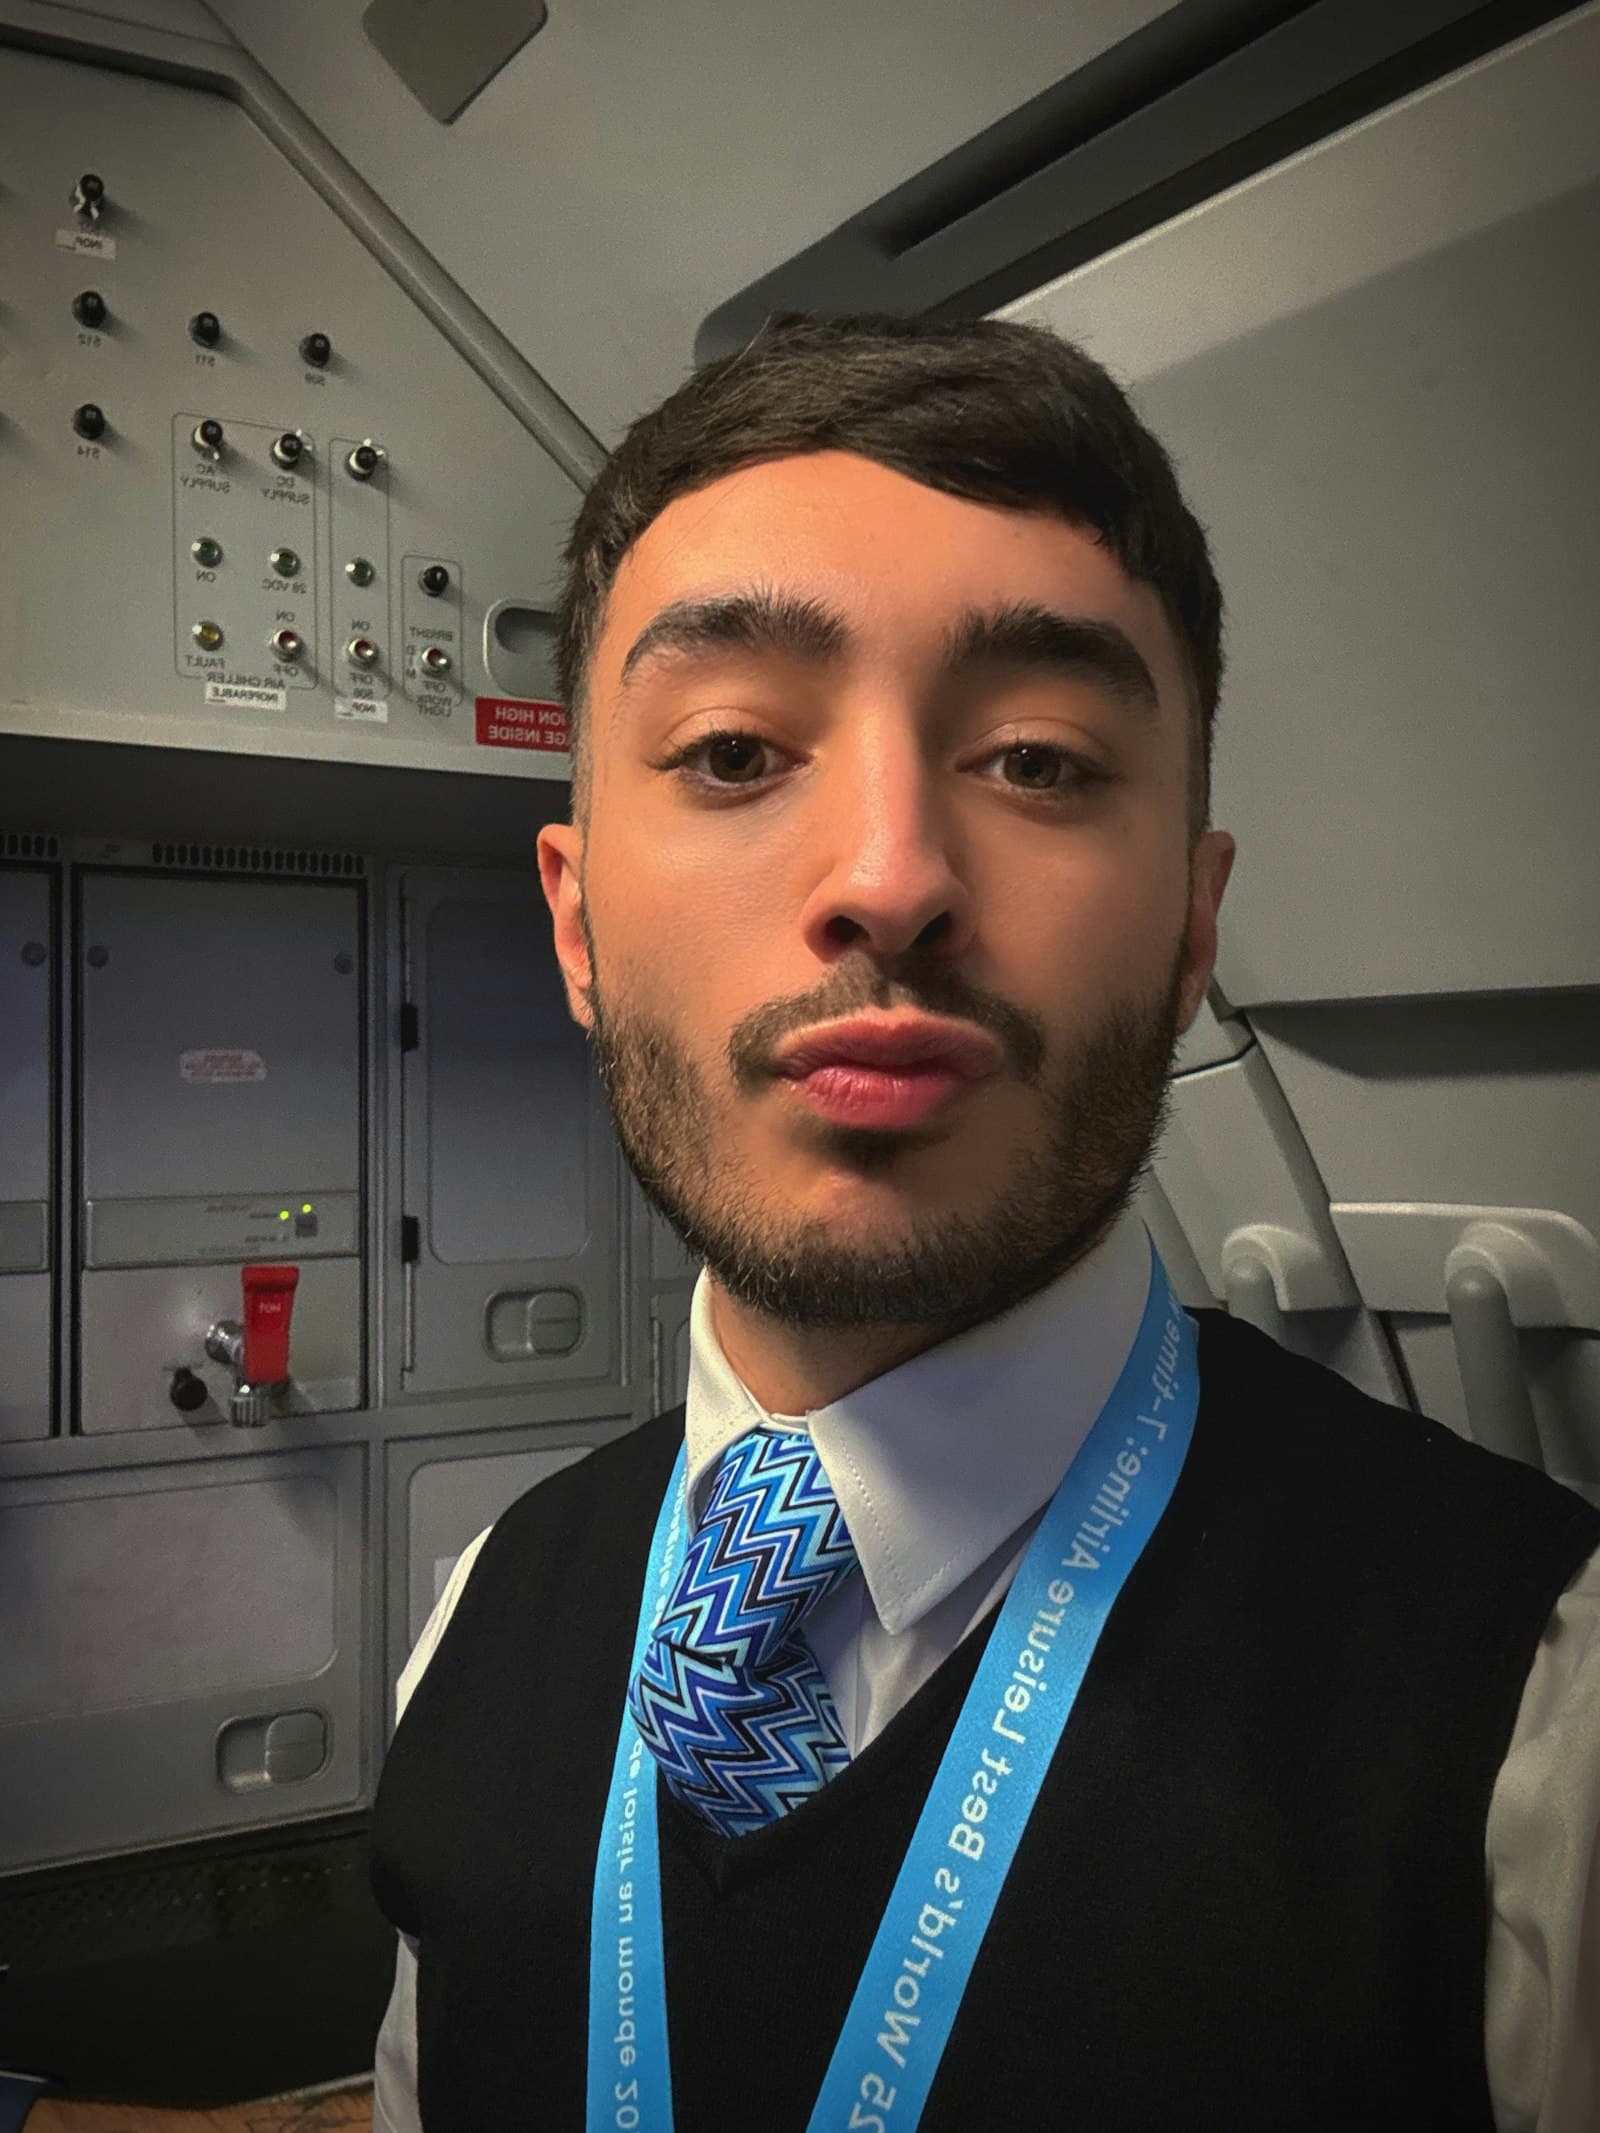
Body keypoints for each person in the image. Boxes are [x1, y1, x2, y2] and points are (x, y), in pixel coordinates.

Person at [368, 312, 1600, 2131]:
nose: (889, 876)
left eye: (1034, 758)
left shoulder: (1541, 1722)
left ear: (1193, 930)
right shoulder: (476, 1622)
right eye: (727, 751)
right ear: (574, 924)